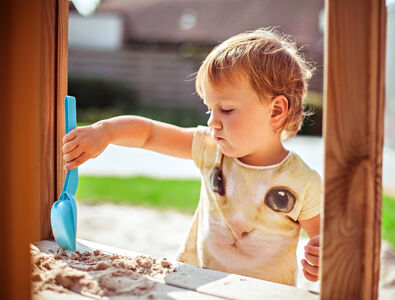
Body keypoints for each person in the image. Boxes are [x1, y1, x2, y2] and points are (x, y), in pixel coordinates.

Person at [62, 28, 322, 286]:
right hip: (197, 284)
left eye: (226, 109)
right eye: (210, 109)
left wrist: (321, 258)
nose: (212, 122)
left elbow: (325, 244)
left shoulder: (303, 182)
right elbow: (149, 134)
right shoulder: (210, 148)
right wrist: (105, 132)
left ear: (276, 111)